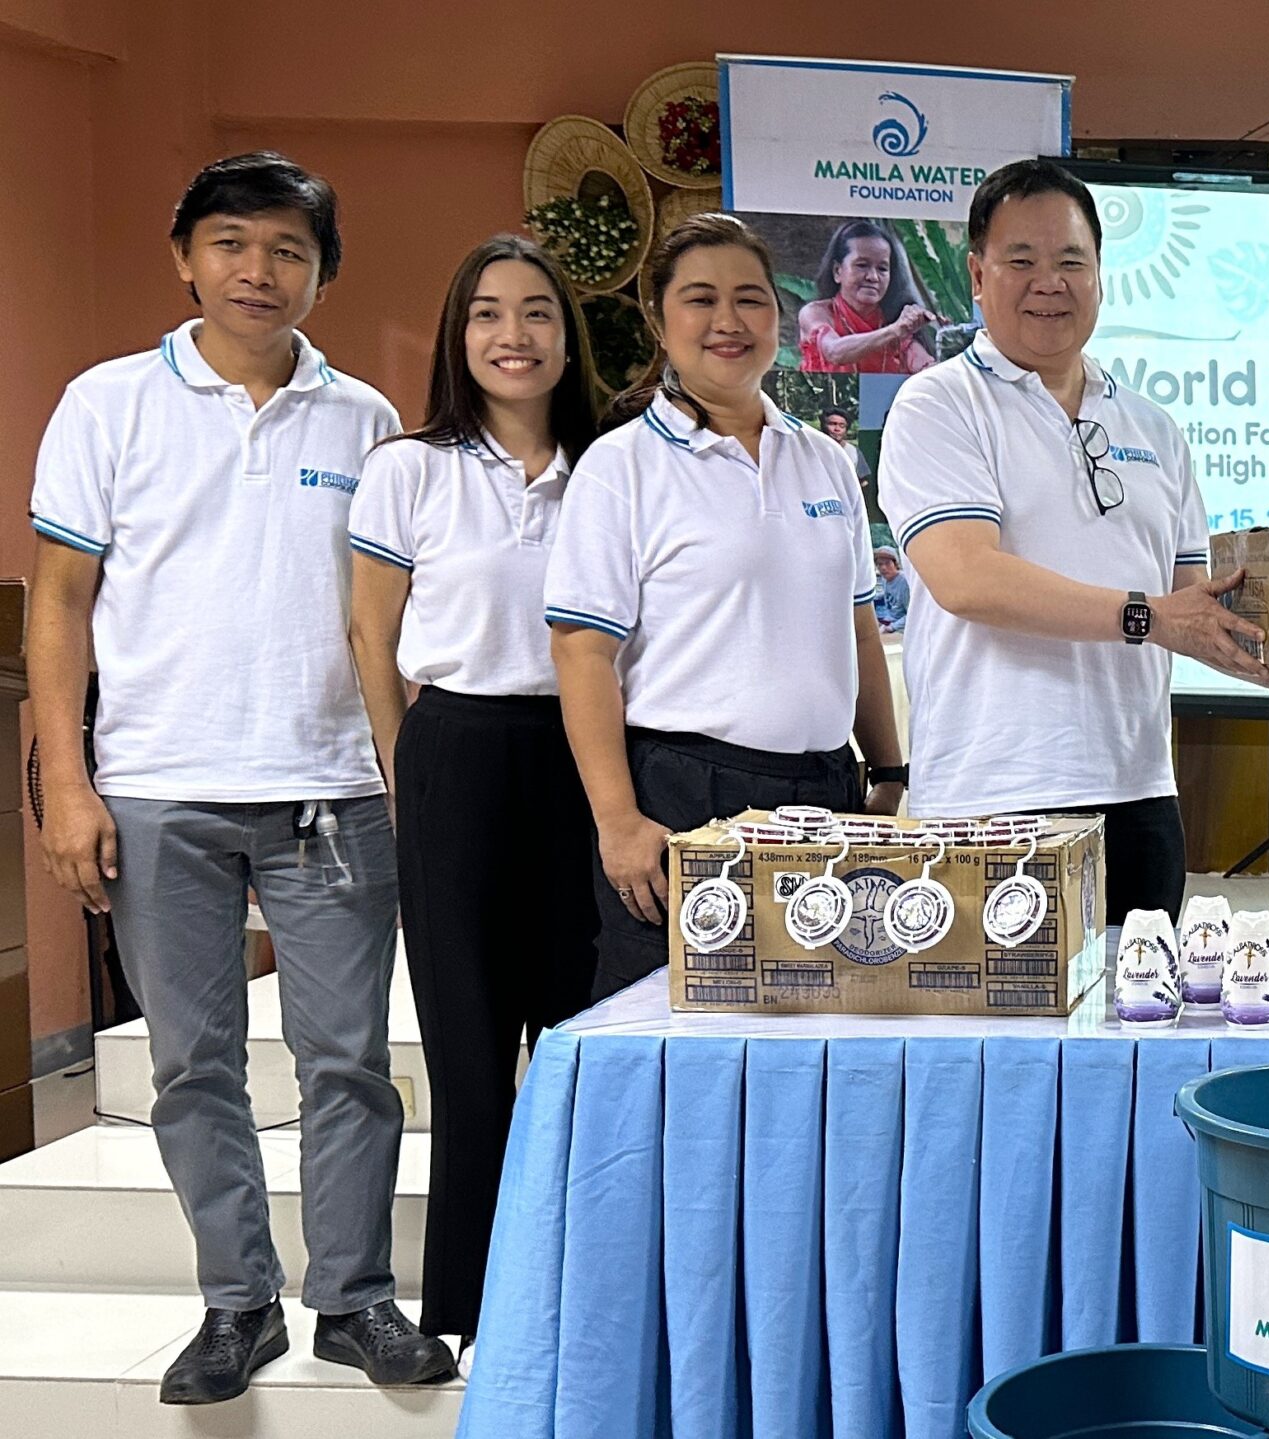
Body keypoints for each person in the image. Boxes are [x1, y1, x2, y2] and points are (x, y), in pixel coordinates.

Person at [26, 151, 454, 1404]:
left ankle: (356, 1297)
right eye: (230, 244)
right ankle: (234, 1302)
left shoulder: (367, 421)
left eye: (286, 251)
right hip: (160, 783)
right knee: (192, 1065)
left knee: (349, 1062)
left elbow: (394, 617)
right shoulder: (107, 403)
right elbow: (59, 602)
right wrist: (66, 781)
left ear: (323, 275)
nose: (256, 272)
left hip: (332, 787)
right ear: (184, 257)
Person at [881, 160, 1269, 923]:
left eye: (1070, 262)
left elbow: (1195, 612)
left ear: (1100, 276)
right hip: (990, 803)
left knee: (1140, 1036)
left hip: (1140, 796)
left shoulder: (1153, 427)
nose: (1048, 282)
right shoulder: (939, 404)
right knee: (996, 1045)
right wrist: (1146, 616)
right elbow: (968, 578)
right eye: (1021, 261)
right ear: (977, 276)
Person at [346, 233, 601, 1360]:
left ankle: (585, 1290)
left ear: (568, 334)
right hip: (453, 750)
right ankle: (473, 1308)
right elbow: (371, 632)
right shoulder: (410, 466)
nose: (514, 335)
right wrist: (406, 773)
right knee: (469, 1048)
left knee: (584, 1039)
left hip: (590, 755)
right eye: (488, 315)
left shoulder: (613, 467)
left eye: (537, 312)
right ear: (458, 338)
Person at [548, 213, 906, 1000]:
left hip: (826, 796)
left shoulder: (824, 460)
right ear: (659, 317)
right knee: (680, 1043)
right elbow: (581, 652)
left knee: (824, 1029)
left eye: (750, 299)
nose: (728, 322)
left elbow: (856, 627)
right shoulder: (621, 468)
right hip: (686, 797)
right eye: (700, 299)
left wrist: (887, 770)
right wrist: (617, 819)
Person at [797, 218, 939, 374]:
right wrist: (894, 330)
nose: (873, 277)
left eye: (882, 269)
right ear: (838, 271)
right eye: (862, 265)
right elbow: (833, 351)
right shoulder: (816, 313)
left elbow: (926, 367)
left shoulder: (892, 320)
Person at [872, 545, 910, 633]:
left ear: (896, 564)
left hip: (900, 626)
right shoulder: (884, 578)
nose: (883, 568)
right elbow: (887, 595)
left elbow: (913, 613)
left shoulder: (904, 582)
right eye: (880, 564)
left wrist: (891, 627)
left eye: (887, 563)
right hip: (887, 617)